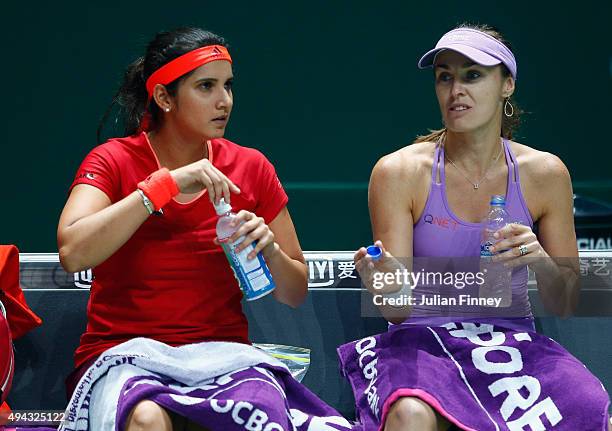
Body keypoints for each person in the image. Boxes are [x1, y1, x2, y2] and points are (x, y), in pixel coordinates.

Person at [56, 27, 347, 431]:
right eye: (206, 87)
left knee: (256, 417)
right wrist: (165, 185)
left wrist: (271, 252)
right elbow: (73, 251)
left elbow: (294, 292)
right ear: (164, 98)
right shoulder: (113, 160)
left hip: (221, 357)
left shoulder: (251, 167)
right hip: (124, 354)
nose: (224, 100)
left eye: (228, 86)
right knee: (146, 418)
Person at [339, 24, 611, 431]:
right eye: (444, 77)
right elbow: (396, 311)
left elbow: (566, 302)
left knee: (592, 406)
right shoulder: (398, 172)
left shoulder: (546, 173)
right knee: (410, 415)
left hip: (510, 344)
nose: (455, 90)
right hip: (421, 344)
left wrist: (539, 259)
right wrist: (385, 283)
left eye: (472, 75)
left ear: (507, 86)